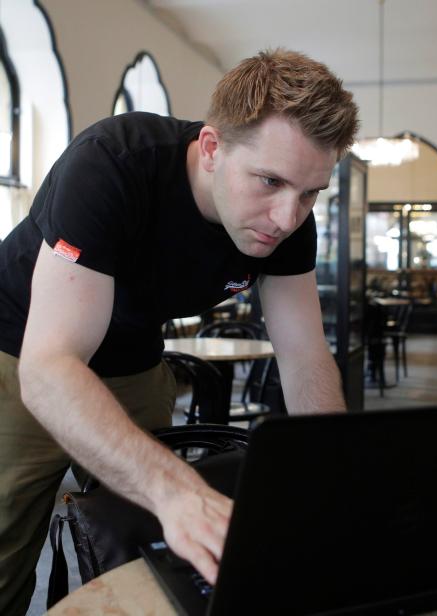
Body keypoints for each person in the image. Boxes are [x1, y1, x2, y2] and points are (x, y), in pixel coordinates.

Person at [0, 48, 359, 615]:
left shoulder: (290, 219)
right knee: (6, 540)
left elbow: (305, 355)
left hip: (134, 358)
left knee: (150, 547)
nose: (287, 218)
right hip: (20, 348)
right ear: (213, 148)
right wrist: (177, 489)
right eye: (269, 181)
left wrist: (336, 469)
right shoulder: (112, 162)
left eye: (311, 192)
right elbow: (49, 370)